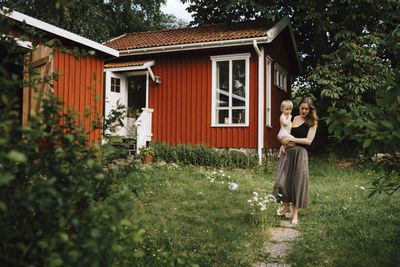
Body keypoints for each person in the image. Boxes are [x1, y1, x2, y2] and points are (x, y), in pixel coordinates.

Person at [273, 97, 318, 225]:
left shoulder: (312, 122)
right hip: (288, 152)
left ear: (310, 110)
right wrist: (283, 144)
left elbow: (308, 141)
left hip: (301, 154)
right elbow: (284, 132)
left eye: (306, 109)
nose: (304, 111)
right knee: (281, 182)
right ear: (299, 107)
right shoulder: (293, 118)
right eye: (302, 108)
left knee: (297, 183)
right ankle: (286, 206)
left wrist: (293, 140)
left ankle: (295, 214)